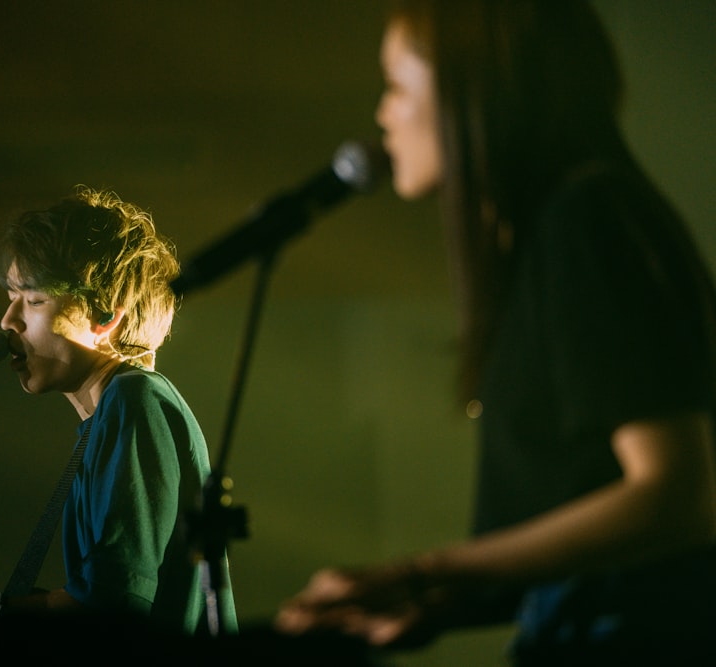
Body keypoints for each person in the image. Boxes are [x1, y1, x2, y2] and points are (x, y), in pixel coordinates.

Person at [275, 1, 716, 665]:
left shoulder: (585, 223)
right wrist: (436, 600)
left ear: (471, 89)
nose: (382, 115)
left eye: (396, 85)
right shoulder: (566, 227)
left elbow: (678, 493)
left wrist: (428, 570)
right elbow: (589, 518)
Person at [0, 185, 238, 651]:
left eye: (34, 301)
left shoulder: (134, 398)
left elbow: (110, 608)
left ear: (106, 317)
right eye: (9, 297)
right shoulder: (107, 421)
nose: (7, 321)